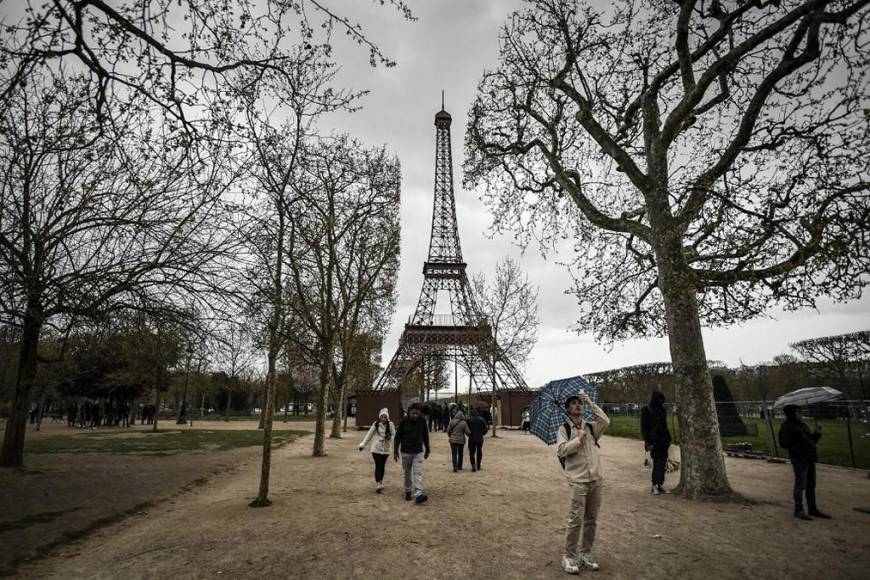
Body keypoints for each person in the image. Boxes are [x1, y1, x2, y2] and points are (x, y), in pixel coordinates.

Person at [556, 392, 610, 575]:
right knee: (575, 520)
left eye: (579, 403)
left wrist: (591, 402)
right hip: (578, 480)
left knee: (591, 520)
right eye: (573, 403)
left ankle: (585, 553)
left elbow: (606, 421)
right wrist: (578, 440)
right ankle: (569, 556)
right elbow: (562, 450)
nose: (578, 405)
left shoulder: (591, 427)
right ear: (567, 408)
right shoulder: (564, 429)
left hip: (595, 479)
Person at [778, 404, 831, 520]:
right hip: (799, 459)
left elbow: (811, 441)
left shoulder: (802, 425)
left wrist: (817, 433)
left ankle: (812, 508)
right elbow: (786, 444)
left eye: (800, 411)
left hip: (809, 458)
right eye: (797, 412)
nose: (800, 414)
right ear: (791, 413)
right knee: (801, 484)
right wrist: (799, 454)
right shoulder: (787, 427)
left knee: (811, 485)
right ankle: (799, 509)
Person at [394, 402, 431, 504]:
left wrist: (427, 449)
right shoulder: (404, 421)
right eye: (413, 413)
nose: (415, 415)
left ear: (420, 413)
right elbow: (397, 436)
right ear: (409, 412)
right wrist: (395, 451)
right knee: (407, 473)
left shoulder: (422, 421)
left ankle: (418, 494)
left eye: (417, 413)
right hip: (406, 452)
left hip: (418, 451)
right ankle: (408, 491)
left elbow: (425, 436)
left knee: (418, 472)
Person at [640, 390, 672, 495]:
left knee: (662, 464)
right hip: (654, 440)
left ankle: (659, 484)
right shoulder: (647, 409)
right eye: (659, 399)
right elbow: (643, 427)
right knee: (657, 463)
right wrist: (647, 440)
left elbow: (665, 425)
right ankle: (654, 485)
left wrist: (668, 439)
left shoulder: (663, 410)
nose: (661, 401)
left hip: (664, 440)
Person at [358, 407, 395, 493]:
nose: (383, 419)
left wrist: (390, 437)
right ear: (379, 417)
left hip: (386, 449)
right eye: (381, 417)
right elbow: (369, 435)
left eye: (385, 417)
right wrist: (363, 444)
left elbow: (394, 435)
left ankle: (381, 482)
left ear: (387, 417)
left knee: (382, 466)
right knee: (378, 465)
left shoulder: (391, 425)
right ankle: (378, 484)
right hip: (376, 448)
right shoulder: (376, 424)